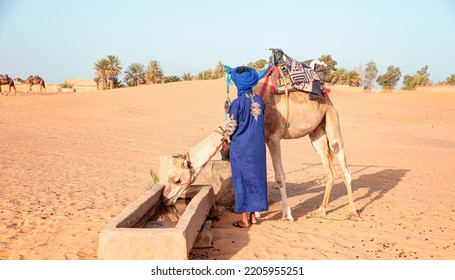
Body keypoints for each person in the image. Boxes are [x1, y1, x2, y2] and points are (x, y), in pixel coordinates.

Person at [226, 66, 268, 228]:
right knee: (255, 179)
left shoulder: (237, 103)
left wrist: (227, 135)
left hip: (241, 148)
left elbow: (232, 125)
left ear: (238, 84)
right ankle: (253, 216)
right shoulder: (259, 100)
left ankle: (244, 220)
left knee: (242, 180)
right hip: (257, 147)